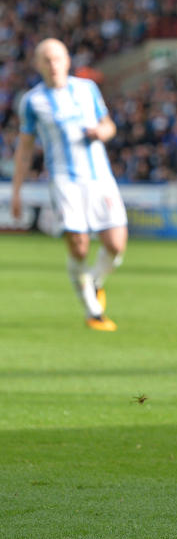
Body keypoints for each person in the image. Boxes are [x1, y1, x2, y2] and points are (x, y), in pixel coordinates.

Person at [12, 38, 127, 332]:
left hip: (100, 176)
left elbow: (109, 125)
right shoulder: (33, 101)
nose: (53, 65)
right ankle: (93, 311)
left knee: (115, 244)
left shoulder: (87, 88)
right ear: (37, 65)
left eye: (57, 58)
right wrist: (16, 191)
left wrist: (102, 131)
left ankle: (96, 281)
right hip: (64, 179)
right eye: (46, 60)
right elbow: (25, 149)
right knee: (78, 244)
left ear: (67, 60)